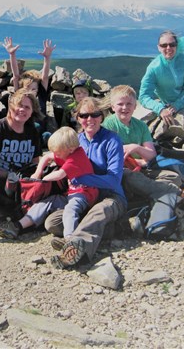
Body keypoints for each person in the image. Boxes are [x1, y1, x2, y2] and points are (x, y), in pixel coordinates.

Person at [103, 85, 184, 229]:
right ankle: (180, 195)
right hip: (125, 172)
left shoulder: (140, 126)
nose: (124, 108)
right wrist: (139, 160)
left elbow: (151, 155)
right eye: (120, 104)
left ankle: (158, 202)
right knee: (132, 177)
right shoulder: (109, 125)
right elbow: (111, 157)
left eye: (129, 104)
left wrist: (135, 147)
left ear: (135, 106)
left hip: (143, 168)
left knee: (173, 177)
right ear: (112, 107)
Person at [44, 97, 127, 269]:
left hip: (111, 196)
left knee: (100, 211)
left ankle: (72, 253)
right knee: (53, 223)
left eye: (95, 114)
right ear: (78, 118)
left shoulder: (112, 141)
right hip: (84, 197)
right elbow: (58, 159)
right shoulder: (74, 141)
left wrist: (79, 178)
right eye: (84, 115)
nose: (89, 119)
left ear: (102, 116)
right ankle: (95, 232)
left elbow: (114, 180)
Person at [0, 88, 43, 208]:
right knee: (18, 203)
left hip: (24, 180)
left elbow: (35, 163)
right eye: (19, 105)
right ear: (11, 106)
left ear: (31, 112)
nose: (22, 109)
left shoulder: (32, 132)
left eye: (27, 107)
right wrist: (10, 175)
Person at [3, 37, 56, 144]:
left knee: (48, 136)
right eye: (26, 89)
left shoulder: (41, 97)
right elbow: (16, 75)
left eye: (33, 89)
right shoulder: (19, 97)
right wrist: (12, 55)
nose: (30, 92)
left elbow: (45, 77)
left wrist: (47, 57)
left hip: (37, 135)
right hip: (20, 133)